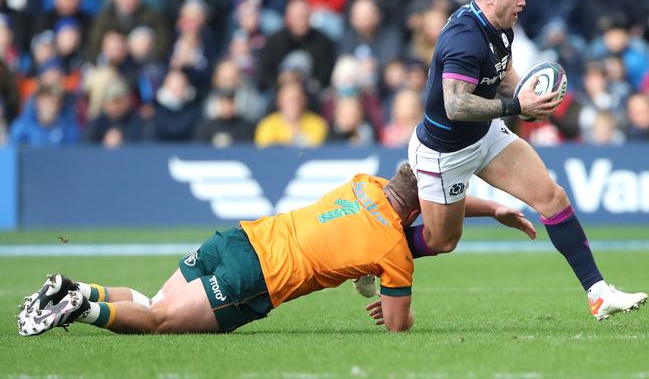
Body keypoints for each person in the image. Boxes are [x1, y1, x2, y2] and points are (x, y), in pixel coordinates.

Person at [17, 163, 535, 336]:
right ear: (419, 210)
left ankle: (71, 287)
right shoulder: (393, 251)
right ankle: (80, 310)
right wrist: (396, 302)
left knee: (154, 303)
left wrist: (491, 209)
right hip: (255, 277)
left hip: (238, 238)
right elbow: (398, 325)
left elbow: (419, 206)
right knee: (159, 325)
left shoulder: (364, 182)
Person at [406, 0, 647, 321]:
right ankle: (373, 251)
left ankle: (598, 293)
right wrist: (515, 107)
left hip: (486, 136)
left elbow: (503, 71)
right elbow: (455, 105)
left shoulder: (500, 24)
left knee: (551, 197)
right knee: (441, 241)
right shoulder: (464, 38)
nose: (523, 1)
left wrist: (526, 93)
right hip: (445, 152)